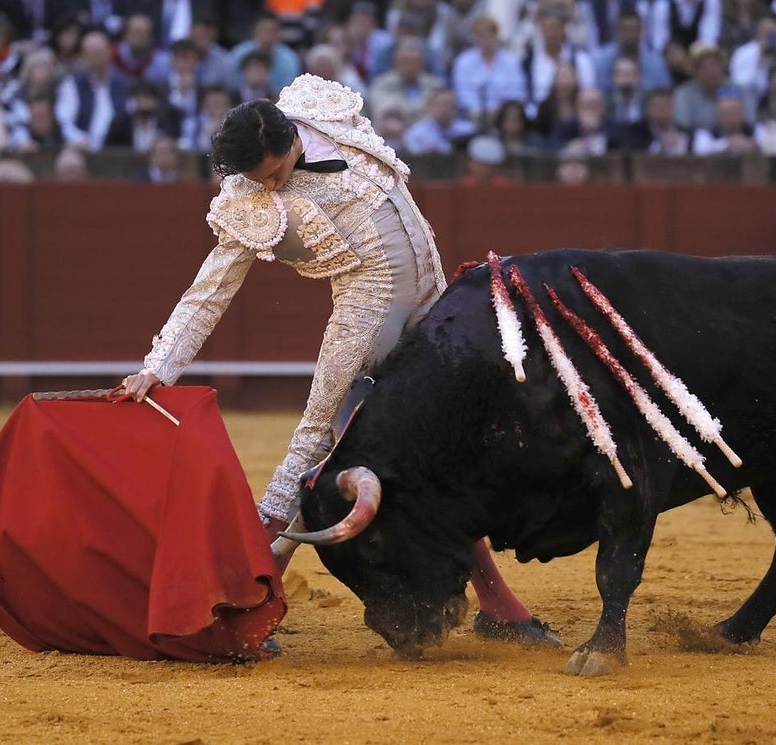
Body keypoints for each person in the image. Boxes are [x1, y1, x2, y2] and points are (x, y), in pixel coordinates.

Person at [121, 74, 557, 647]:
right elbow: (209, 292)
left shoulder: (321, 110)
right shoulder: (247, 201)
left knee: (442, 447)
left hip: (432, 297)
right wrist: (160, 366)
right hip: (366, 308)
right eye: (260, 181)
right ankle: (240, 606)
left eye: (276, 172)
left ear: (292, 137)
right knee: (319, 447)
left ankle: (499, 605)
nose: (272, 188)